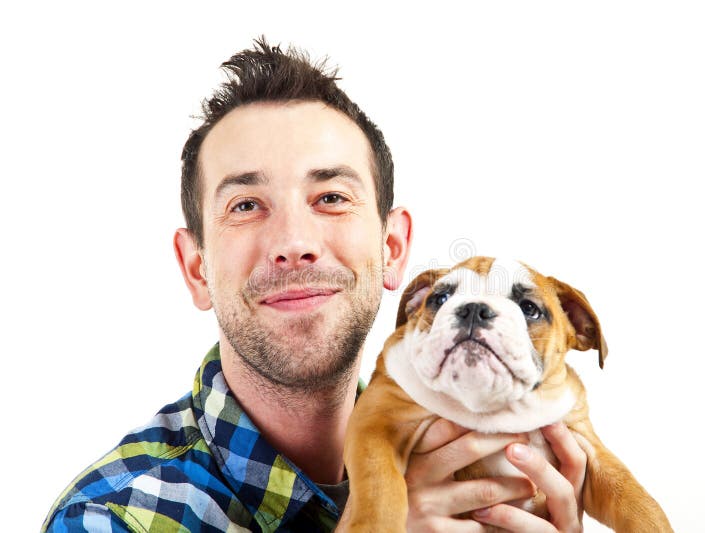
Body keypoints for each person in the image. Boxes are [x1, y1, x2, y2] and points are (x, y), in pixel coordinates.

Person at [42, 37, 587, 532]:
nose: (294, 241)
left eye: (330, 198)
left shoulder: (489, 452)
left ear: (391, 249)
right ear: (196, 268)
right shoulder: (109, 517)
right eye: (247, 205)